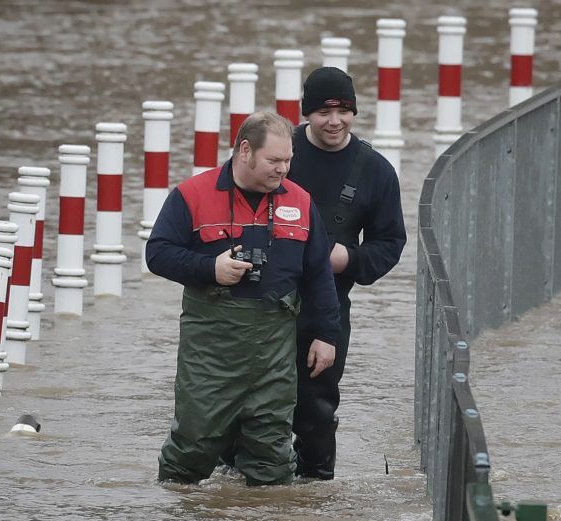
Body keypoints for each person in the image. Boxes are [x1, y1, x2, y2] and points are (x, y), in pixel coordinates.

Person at [146, 111, 341, 486]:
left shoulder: (299, 201)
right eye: (274, 161)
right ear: (245, 151)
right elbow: (157, 254)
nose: (283, 170)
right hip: (210, 351)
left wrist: (326, 335)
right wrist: (210, 269)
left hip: (274, 352)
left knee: (272, 458)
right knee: (192, 447)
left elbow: (318, 274)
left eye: (288, 161)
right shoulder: (192, 195)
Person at [283, 66, 407, 480]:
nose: (334, 121)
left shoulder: (375, 170)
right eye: (323, 111)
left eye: (344, 110)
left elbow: (390, 245)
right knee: (248, 407)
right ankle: (248, 506)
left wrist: (346, 259)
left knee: (316, 410)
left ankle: (315, 501)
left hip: (328, 308)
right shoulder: (281, 151)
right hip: (260, 300)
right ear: (307, 114)